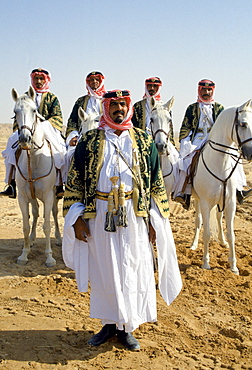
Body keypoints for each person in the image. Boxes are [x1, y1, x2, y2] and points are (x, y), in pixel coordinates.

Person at [62, 90, 182, 351]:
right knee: (105, 270)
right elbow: (74, 180)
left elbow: (155, 182)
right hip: (100, 216)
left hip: (133, 216)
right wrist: (76, 218)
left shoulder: (143, 140)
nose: (119, 109)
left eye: (122, 105)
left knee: (132, 267)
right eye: (113, 104)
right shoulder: (90, 140)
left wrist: (154, 220)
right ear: (106, 108)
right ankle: (109, 324)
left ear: (128, 107)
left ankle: (128, 327)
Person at [174, 79, 252, 209]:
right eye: (204, 90)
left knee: (234, 159)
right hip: (197, 138)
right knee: (186, 161)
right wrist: (185, 141)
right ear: (199, 90)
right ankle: (184, 192)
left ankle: (239, 189)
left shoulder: (219, 108)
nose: (207, 92)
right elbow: (185, 127)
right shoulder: (192, 108)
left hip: (216, 138)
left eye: (209, 90)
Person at [0, 68, 65, 199]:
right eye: (36, 78)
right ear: (32, 80)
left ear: (46, 80)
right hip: (26, 129)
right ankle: (11, 183)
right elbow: (18, 115)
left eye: (41, 79)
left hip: (47, 128)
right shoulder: (24, 97)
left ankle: (59, 184)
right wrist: (18, 130)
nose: (39, 81)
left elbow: (58, 117)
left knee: (61, 150)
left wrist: (42, 123)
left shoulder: (52, 98)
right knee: (9, 148)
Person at [65, 71, 106, 146]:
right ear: (88, 82)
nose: (94, 81)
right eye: (92, 80)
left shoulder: (107, 100)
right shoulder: (81, 101)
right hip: (82, 136)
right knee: (69, 153)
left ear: (101, 81)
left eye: (97, 79)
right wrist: (73, 136)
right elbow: (73, 121)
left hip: (105, 135)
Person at [132, 77, 175, 146]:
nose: (152, 88)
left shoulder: (165, 107)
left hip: (161, 140)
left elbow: (170, 128)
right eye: (149, 86)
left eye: (155, 86)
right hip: (141, 142)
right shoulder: (138, 106)